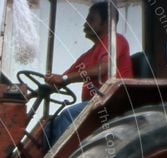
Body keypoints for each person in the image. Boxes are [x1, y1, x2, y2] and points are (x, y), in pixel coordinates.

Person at [44, 2, 133, 147]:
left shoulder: (116, 40)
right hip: (94, 104)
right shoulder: (87, 55)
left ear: (106, 22)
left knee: (67, 117)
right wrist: (46, 86)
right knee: (50, 124)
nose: (85, 24)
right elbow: (62, 79)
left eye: (91, 20)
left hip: (112, 103)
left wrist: (66, 78)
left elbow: (104, 68)